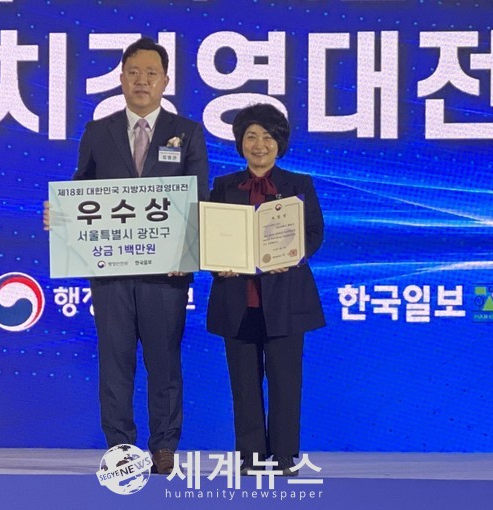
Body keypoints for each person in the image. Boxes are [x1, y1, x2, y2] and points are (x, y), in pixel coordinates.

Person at [45, 37, 209, 474]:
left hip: (166, 274)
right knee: (115, 362)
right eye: (133, 73)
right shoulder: (98, 132)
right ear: (120, 79)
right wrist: (60, 216)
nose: (142, 81)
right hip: (111, 271)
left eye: (151, 74)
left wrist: (188, 252)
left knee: (164, 362)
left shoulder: (187, 132)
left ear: (165, 81)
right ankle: (120, 446)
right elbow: (81, 190)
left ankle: (164, 446)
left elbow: (199, 201)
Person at [206, 103, 325, 476]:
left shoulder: (298, 184)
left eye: (268, 137)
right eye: (251, 136)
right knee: (244, 384)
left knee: (286, 382)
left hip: (285, 298)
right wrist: (216, 262)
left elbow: (314, 233)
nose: (259, 145)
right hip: (237, 299)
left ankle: (285, 456)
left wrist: (294, 255)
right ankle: (251, 457)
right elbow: (208, 236)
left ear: (280, 143)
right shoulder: (223, 186)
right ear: (240, 142)